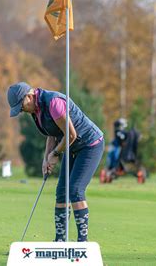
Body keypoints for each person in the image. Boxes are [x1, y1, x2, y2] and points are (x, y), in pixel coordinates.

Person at [7, 82, 104, 242]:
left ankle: (82, 242)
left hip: (89, 144)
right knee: (61, 192)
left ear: (29, 96)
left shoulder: (54, 103)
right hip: (70, 145)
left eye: (21, 106)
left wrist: (56, 153)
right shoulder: (36, 110)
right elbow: (51, 134)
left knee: (75, 190)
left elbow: (71, 135)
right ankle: (60, 240)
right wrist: (46, 159)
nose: (22, 110)